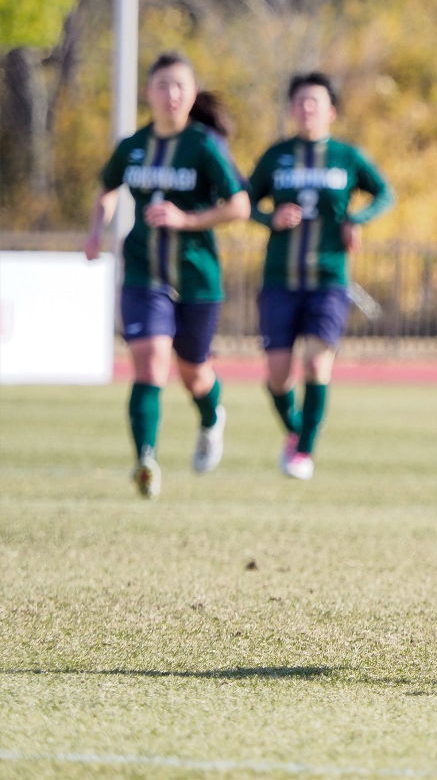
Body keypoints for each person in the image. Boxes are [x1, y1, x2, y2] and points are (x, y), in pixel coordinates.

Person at [83, 52, 251, 498]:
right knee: (150, 361)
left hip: (197, 276)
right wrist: (96, 229)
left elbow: (240, 206)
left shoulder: (204, 145)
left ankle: (212, 419)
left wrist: (186, 219)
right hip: (143, 271)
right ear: (149, 92)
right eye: (162, 85)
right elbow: (107, 187)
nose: (171, 94)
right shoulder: (134, 144)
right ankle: (146, 459)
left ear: (192, 93)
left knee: (193, 373)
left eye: (180, 86)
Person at [247, 72, 393, 481]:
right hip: (280, 279)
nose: (307, 108)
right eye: (300, 102)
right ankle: (297, 430)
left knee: (315, 365)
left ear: (331, 111)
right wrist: (269, 217)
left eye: (315, 102)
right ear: (291, 109)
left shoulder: (348, 157)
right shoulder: (277, 155)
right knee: (278, 375)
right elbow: (245, 200)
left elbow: (385, 193)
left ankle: (303, 453)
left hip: (328, 279)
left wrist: (356, 218)